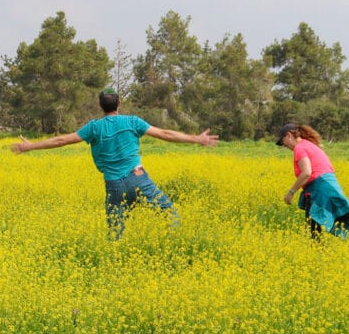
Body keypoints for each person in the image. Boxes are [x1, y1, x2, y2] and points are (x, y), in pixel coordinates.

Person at [11, 89, 219, 240]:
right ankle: (175, 245)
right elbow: (165, 134)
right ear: (119, 104)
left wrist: (30, 147)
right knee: (170, 214)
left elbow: (61, 140)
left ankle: (115, 261)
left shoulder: (94, 127)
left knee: (115, 233)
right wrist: (196, 139)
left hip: (114, 185)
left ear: (100, 106)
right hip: (139, 178)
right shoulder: (132, 121)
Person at [276, 123, 349, 239]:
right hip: (327, 187)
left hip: (321, 191)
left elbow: (306, 173)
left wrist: (291, 193)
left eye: (283, 142)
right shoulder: (309, 145)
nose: (285, 146)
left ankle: (320, 253)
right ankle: (320, 253)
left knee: (313, 232)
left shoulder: (299, 148)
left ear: (289, 135)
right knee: (314, 230)